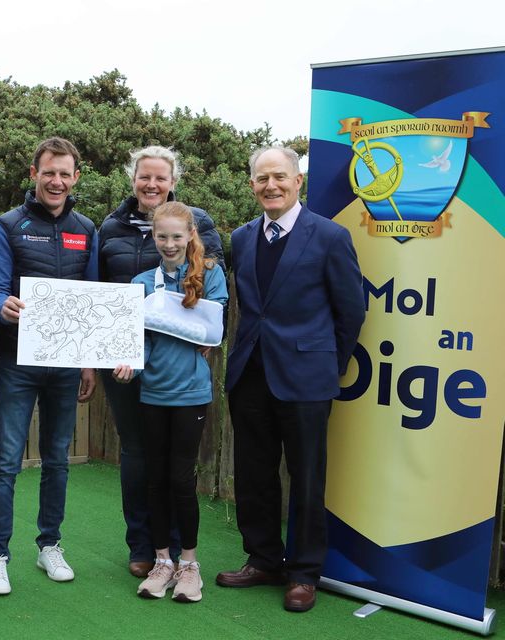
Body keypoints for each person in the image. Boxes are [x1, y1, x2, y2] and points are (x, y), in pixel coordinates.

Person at [215, 147, 365, 612]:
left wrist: (327, 363)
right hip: (251, 375)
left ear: (298, 181)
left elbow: (352, 310)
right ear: (252, 186)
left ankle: (303, 573)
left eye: (279, 177)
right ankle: (262, 559)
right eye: (262, 179)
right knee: (254, 474)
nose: (270, 186)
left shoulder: (330, 236)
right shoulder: (240, 238)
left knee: (306, 478)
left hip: (307, 379)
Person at [97, 145, 224, 578]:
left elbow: (212, 292)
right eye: (143, 177)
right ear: (133, 179)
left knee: (176, 470)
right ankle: (145, 548)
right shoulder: (109, 228)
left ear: (173, 182)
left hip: (181, 376)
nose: (151, 184)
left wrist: (201, 330)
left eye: (160, 178)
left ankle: (177, 554)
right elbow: (99, 292)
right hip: (127, 364)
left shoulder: (198, 224)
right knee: (137, 458)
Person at [0, 137, 98, 595]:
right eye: (49, 172)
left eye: (65, 173)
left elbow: (91, 300)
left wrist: (89, 362)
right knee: (7, 461)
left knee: (57, 461)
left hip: (67, 366)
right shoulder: (9, 225)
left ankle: (49, 544)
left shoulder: (87, 229)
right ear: (34, 174)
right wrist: (1, 305)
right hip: (16, 360)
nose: (57, 181)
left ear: (75, 178)